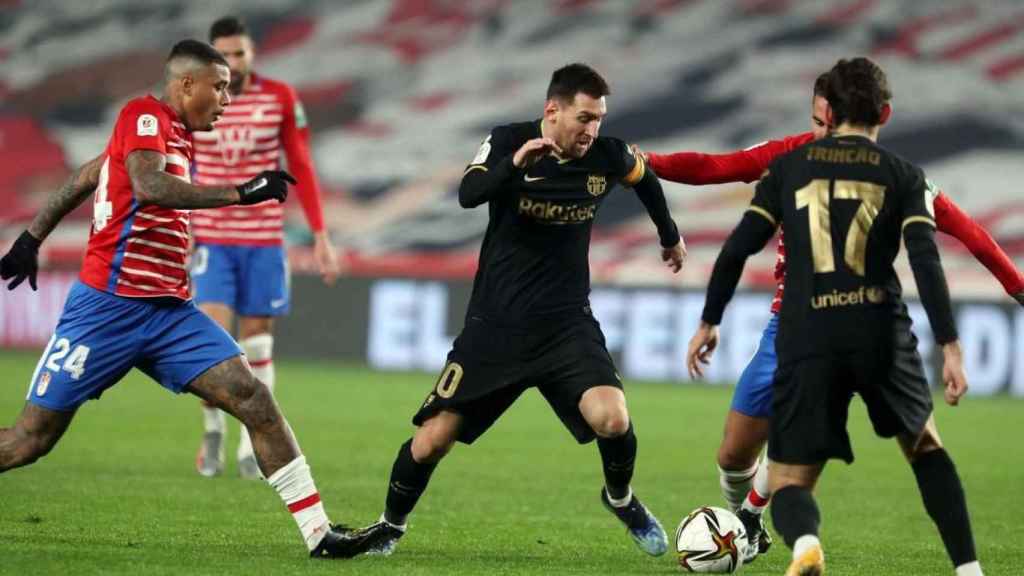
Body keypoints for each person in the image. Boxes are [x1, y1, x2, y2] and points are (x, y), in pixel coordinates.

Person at [635, 72, 1024, 562]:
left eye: (830, 121)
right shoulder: (799, 159)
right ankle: (750, 522)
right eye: (815, 121)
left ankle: (761, 529)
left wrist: (1018, 288)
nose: (822, 130)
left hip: (812, 327)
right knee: (734, 453)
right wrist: (645, 162)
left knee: (807, 457)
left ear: (845, 116)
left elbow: (967, 232)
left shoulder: (856, 170)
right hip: (806, 323)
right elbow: (718, 166)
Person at [0, 40, 356, 559]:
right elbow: (147, 187)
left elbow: (86, 176)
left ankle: (320, 535)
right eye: (220, 87)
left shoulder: (177, 139)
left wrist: (31, 239)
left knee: (254, 397)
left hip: (168, 313)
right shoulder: (144, 115)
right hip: (106, 310)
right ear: (186, 84)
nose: (226, 100)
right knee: (28, 442)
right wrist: (240, 192)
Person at [337, 63, 687, 558]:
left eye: (599, 119)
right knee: (432, 440)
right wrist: (515, 166)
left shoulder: (609, 155)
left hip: (566, 324)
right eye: (584, 118)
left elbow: (646, 180)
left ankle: (620, 498)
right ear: (553, 111)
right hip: (496, 326)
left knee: (612, 418)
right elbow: (468, 195)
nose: (593, 130)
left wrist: (669, 237)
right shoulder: (508, 141)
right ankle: (390, 527)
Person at [190, 16, 339, 479]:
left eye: (240, 54)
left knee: (257, 344)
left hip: (263, 240)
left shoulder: (278, 98)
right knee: (214, 346)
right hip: (213, 236)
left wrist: (320, 234)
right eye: (224, 55)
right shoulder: (197, 97)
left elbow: (301, 164)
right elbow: (180, 164)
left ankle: (248, 446)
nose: (232, 64)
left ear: (252, 53)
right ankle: (212, 427)